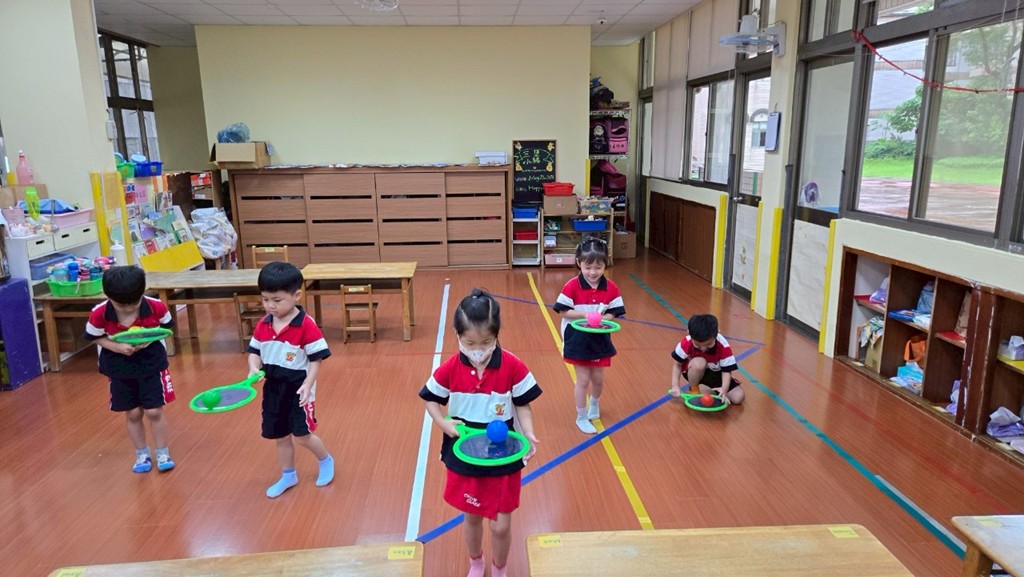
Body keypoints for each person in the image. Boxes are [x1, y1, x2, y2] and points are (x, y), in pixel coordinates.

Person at [419, 289, 541, 577]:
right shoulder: (450, 367)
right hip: (465, 453)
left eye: (486, 342)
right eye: (470, 342)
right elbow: (430, 399)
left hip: (503, 455)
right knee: (472, 516)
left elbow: (523, 405)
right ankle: (476, 561)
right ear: (457, 335)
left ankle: (500, 567)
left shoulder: (512, 365)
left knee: (501, 525)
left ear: (496, 335)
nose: (478, 350)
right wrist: (444, 424)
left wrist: (529, 433)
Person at [246, 261, 335, 498]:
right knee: (281, 436)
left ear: (296, 295)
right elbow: (254, 351)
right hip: (273, 389)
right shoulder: (264, 324)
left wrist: (308, 384)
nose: (270, 305)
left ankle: (325, 460)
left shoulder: (306, 325)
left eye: (277, 300)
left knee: (302, 435)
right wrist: (253, 368)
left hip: (299, 390)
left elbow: (316, 360)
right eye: (265, 299)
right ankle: (288, 475)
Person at [85, 265, 176, 473]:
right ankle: (142, 454)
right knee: (133, 413)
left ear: (143, 292)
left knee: (154, 411)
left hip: (151, 364)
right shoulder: (99, 313)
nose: (127, 309)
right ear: (108, 295)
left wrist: (148, 339)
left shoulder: (156, 306)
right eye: (120, 305)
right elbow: (93, 336)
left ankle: (162, 452)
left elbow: (166, 328)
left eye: (133, 303)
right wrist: (117, 347)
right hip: (119, 367)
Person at [553, 237, 625, 434]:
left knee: (598, 379)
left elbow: (615, 313)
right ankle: (581, 416)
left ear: (605, 264)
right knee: (583, 379)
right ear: (579, 263)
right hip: (576, 338)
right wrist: (585, 315)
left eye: (598, 267)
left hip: (599, 339)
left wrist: (603, 318)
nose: (593, 272)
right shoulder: (572, 286)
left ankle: (594, 403)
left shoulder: (611, 287)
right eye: (588, 267)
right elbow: (563, 311)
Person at [669, 313, 745, 405]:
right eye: (698, 345)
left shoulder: (723, 346)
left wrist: (724, 389)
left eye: (708, 345)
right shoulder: (686, 343)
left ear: (717, 334)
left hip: (716, 373)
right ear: (689, 333)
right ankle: (694, 390)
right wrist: (675, 385)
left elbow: (726, 371)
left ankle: (717, 388)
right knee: (699, 362)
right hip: (694, 370)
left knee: (738, 397)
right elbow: (677, 365)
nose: (703, 349)